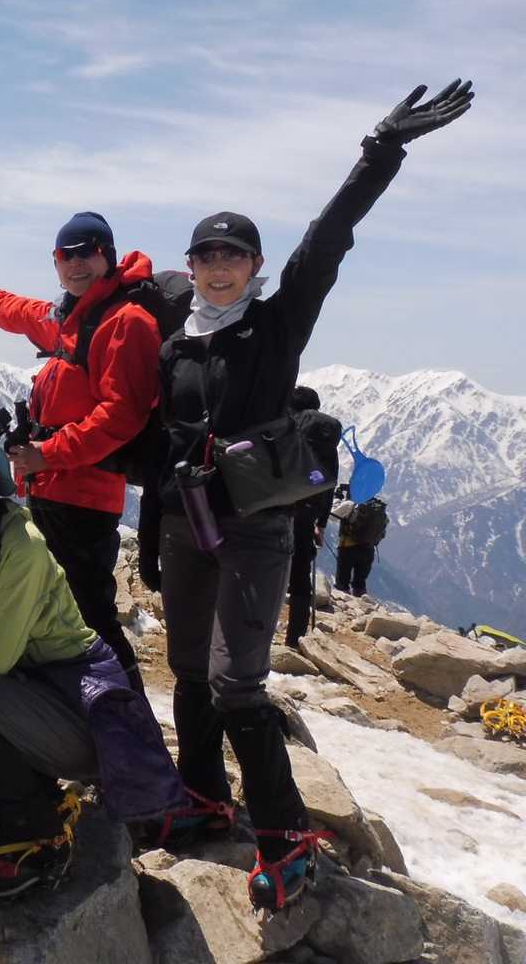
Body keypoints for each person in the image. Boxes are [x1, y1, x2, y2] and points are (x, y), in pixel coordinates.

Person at [140, 80, 473, 910]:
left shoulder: (277, 324)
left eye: (234, 255)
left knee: (236, 685)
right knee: (187, 671)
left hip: (255, 527)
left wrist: (379, 151)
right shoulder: (175, 338)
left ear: (255, 266)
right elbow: (156, 430)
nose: (220, 267)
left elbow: (328, 243)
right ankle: (203, 795)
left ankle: (285, 836)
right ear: (192, 266)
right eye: (207, 256)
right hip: (184, 523)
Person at [0, 417, 186, 899]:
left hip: (77, 712)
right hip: (32, 701)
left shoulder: (21, 547)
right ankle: (30, 798)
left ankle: (40, 833)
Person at [0, 212, 163, 694]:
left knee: (88, 612)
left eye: (86, 252)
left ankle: (127, 716)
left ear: (107, 256)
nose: (75, 263)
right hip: (54, 489)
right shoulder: (75, 317)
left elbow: (122, 414)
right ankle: (77, 708)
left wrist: (48, 453)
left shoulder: (125, 322)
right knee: (60, 605)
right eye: (64, 255)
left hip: (85, 496)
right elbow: (27, 313)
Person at [284, 386, 340, 648]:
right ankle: (295, 639)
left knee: (263, 568)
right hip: (307, 512)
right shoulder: (327, 443)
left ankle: (251, 634)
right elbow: (328, 485)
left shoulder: (285, 426)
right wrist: (321, 523)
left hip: (276, 506)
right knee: (300, 576)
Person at [332, 486, 388, 597]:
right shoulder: (378, 508)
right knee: (360, 584)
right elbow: (382, 532)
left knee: (342, 583)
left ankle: (343, 603)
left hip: (348, 548)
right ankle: (361, 602)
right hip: (368, 550)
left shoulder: (351, 504)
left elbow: (332, 515)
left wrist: (337, 498)